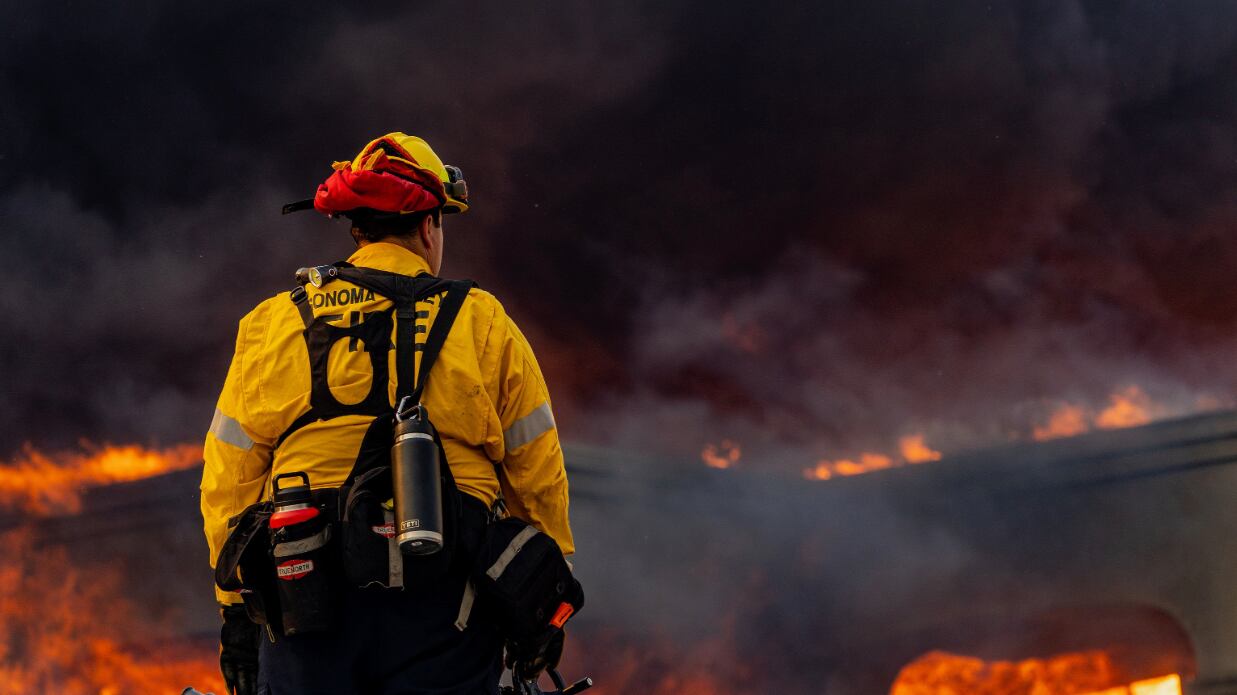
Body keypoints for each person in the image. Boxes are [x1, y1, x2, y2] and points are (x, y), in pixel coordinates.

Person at [200, 133, 575, 695]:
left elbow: (229, 477)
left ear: (358, 230)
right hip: (447, 599)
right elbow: (536, 471)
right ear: (428, 226)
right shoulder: (481, 320)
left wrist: (236, 611)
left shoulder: (274, 322)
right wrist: (542, 598)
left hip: (303, 592)